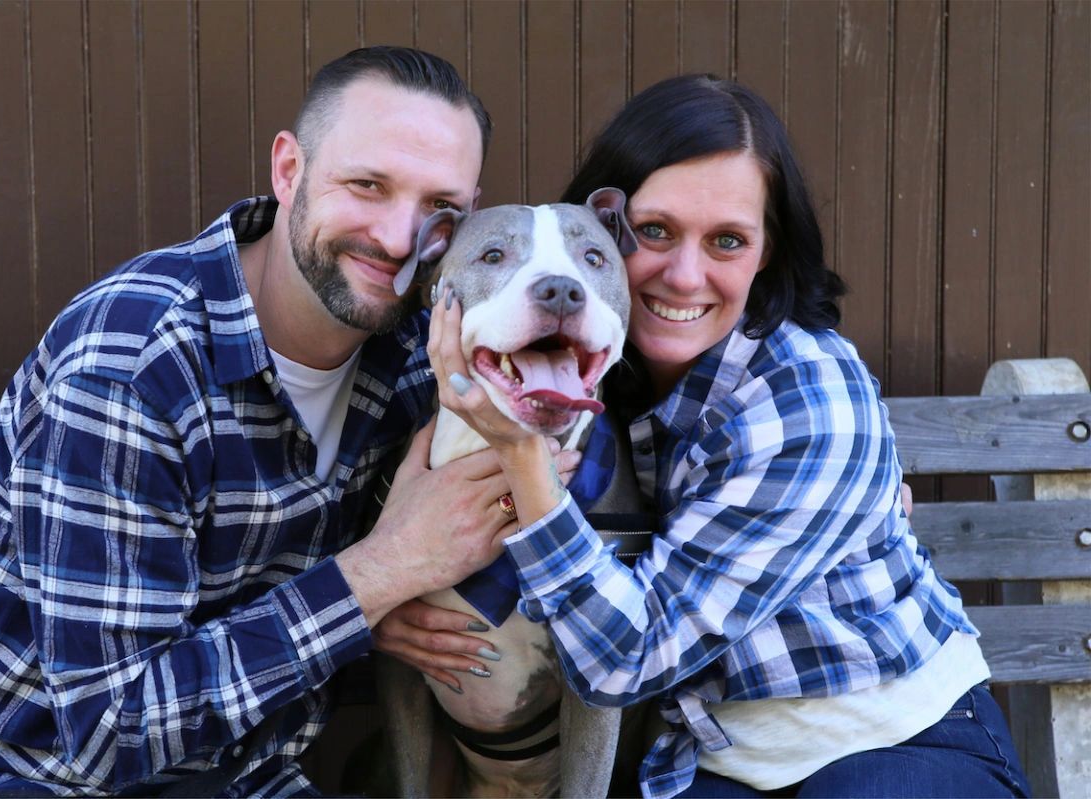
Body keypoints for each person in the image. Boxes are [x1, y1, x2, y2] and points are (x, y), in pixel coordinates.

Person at [0, 46, 576, 797]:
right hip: (17, 777)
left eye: (437, 208)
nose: (396, 237)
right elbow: (108, 734)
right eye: (366, 185)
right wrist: (384, 572)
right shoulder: (133, 364)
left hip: (244, 775)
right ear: (289, 171)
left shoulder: (420, 358)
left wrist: (374, 607)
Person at [404, 74, 1030, 797]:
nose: (682, 275)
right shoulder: (582, 363)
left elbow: (624, 660)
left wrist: (521, 452)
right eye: (656, 233)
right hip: (707, 758)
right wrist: (391, 609)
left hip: (888, 736)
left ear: (767, 252)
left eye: (727, 241)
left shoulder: (810, 395)